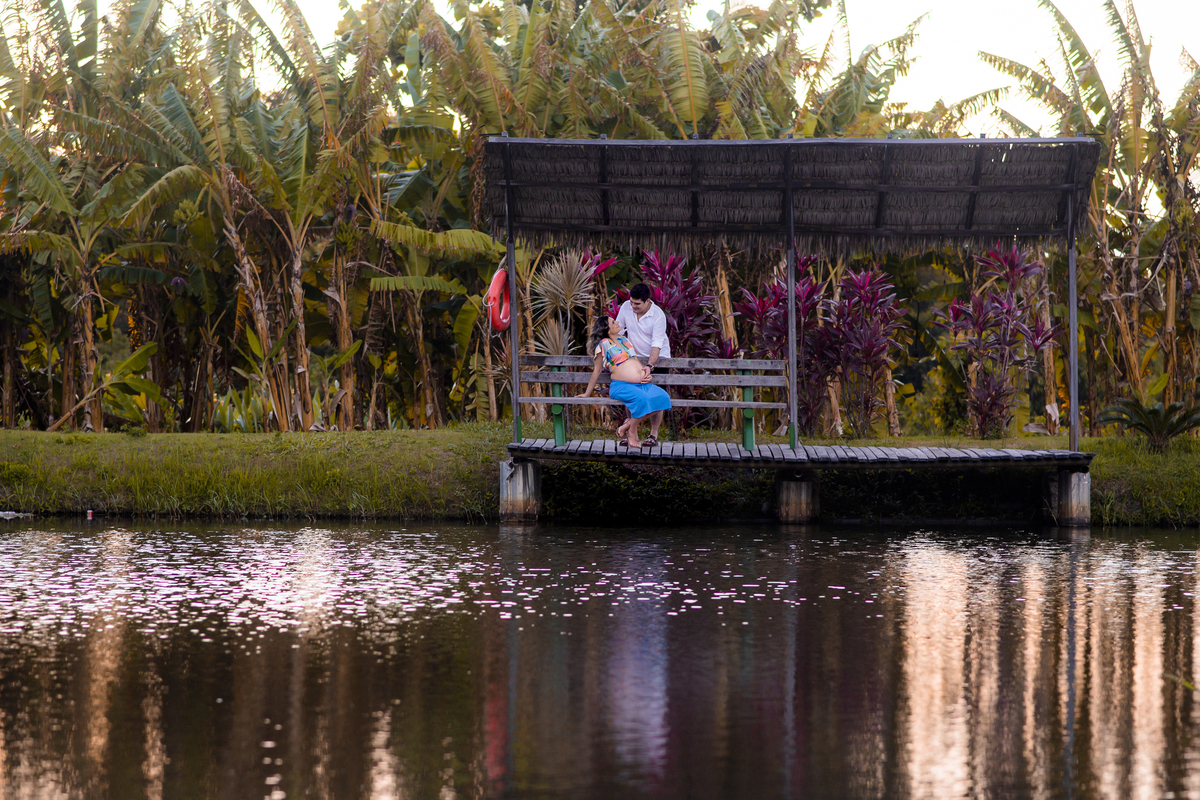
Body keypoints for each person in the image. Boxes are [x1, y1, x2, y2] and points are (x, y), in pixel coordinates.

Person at [580, 315, 671, 448]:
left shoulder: (624, 340)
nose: (617, 322)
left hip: (642, 384)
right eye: (613, 322)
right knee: (642, 400)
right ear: (607, 329)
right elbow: (597, 371)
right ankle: (632, 433)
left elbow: (634, 360)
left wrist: (645, 373)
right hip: (621, 386)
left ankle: (628, 425)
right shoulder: (603, 344)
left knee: (663, 398)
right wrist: (587, 393)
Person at [615, 282, 670, 440]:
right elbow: (618, 332)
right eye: (631, 302)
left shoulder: (658, 315)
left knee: (656, 396)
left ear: (647, 301)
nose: (633, 306)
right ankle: (633, 434)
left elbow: (656, 346)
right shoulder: (626, 307)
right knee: (631, 394)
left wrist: (649, 366)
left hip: (659, 359)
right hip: (635, 358)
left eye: (637, 304)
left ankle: (653, 434)